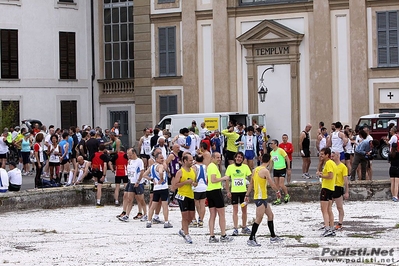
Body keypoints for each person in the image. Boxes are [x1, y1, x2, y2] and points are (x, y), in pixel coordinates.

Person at [245, 153, 283, 246]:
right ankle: (251, 238)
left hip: (262, 197)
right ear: (269, 161)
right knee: (259, 218)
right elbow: (271, 183)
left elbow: (251, 184)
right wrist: (277, 192)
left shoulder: (255, 170)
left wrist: (247, 194)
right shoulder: (265, 171)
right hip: (260, 197)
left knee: (270, 215)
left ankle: (273, 236)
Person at [207, 152, 234, 243]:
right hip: (215, 191)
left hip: (210, 191)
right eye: (217, 157)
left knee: (212, 215)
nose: (219, 159)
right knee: (221, 214)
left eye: (220, 157)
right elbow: (213, 180)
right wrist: (224, 178)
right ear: (212, 158)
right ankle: (223, 235)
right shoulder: (213, 167)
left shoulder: (211, 166)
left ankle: (212, 235)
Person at [224, 152, 252, 236]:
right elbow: (227, 180)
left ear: (242, 159)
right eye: (238, 157)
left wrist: (248, 192)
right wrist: (228, 191)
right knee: (235, 210)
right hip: (234, 191)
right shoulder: (230, 167)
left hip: (243, 191)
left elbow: (251, 178)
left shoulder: (245, 167)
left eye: (241, 157)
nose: (239, 159)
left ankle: (244, 227)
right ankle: (235, 228)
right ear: (235, 158)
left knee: (244, 210)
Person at [117, 148, 147, 222]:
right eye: (127, 154)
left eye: (130, 154)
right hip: (131, 182)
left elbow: (141, 171)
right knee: (129, 199)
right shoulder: (129, 161)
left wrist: (138, 181)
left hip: (138, 183)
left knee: (141, 199)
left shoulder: (139, 161)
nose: (128, 156)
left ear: (134, 153)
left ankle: (145, 214)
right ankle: (127, 215)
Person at [144, 153, 173, 229]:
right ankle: (166, 222)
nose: (162, 159)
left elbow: (144, 175)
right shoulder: (160, 166)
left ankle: (149, 221)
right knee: (165, 206)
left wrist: (151, 179)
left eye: (163, 158)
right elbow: (160, 172)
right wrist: (161, 178)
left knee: (153, 205)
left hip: (156, 188)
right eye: (161, 158)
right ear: (156, 159)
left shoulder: (151, 167)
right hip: (163, 187)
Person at [173, 153, 196, 244]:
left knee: (191, 217)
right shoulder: (180, 172)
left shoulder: (193, 171)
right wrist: (185, 182)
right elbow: (175, 185)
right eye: (190, 160)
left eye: (192, 160)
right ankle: (187, 234)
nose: (192, 162)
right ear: (185, 161)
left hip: (191, 195)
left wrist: (193, 184)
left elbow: (195, 182)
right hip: (182, 195)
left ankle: (183, 229)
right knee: (185, 216)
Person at [316, 148, 337, 237]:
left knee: (324, 210)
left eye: (322, 154)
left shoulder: (328, 163)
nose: (321, 156)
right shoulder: (332, 163)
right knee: (329, 210)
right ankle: (331, 228)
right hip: (331, 188)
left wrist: (321, 175)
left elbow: (330, 176)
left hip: (326, 188)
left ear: (327, 155)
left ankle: (327, 228)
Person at [269, 139, 291, 204]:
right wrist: (269, 171)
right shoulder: (271, 152)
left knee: (281, 184)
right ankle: (278, 198)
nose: (271, 145)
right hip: (275, 169)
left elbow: (287, 158)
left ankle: (287, 195)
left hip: (282, 169)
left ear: (276, 144)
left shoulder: (281, 150)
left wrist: (288, 168)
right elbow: (271, 162)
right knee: (276, 185)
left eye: (272, 143)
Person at [331, 151, 349, 230]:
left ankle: (340, 223)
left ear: (338, 156)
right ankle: (329, 222)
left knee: (339, 207)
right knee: (328, 206)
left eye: (333, 156)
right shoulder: (331, 165)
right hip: (331, 187)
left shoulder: (343, 167)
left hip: (338, 187)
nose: (332, 158)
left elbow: (345, 180)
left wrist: (346, 191)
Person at [192, 154, 207, 228]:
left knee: (196, 204)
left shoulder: (194, 167)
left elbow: (193, 177)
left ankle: (195, 219)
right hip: (204, 187)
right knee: (202, 205)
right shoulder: (205, 167)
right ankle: (201, 220)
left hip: (196, 188)